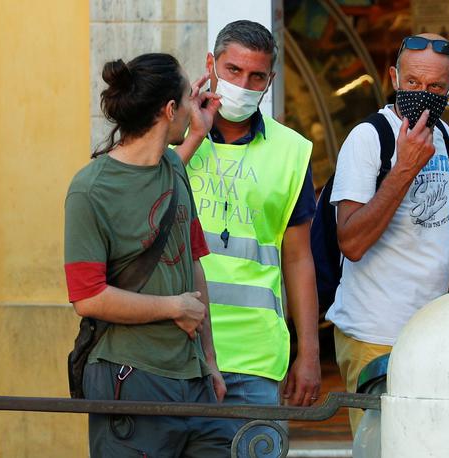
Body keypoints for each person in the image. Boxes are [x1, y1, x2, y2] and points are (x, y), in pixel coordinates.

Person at [64, 53, 229, 456]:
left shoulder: (173, 166)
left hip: (195, 382)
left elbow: (193, 261)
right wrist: (173, 306)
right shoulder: (90, 190)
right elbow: (87, 298)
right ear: (170, 109)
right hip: (130, 378)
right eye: (189, 99)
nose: (194, 107)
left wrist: (210, 361)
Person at [174, 20, 321, 454]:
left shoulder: (292, 151)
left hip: (256, 359)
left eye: (256, 76)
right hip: (176, 349)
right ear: (210, 66)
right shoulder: (168, 134)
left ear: (271, 80)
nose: (243, 84)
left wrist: (308, 353)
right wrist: (192, 133)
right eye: (233, 70)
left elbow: (298, 258)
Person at [325, 33, 449, 434]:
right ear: (394, 79)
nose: (424, 93)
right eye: (414, 82)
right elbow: (351, 242)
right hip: (374, 334)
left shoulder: (444, 136)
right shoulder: (369, 138)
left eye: (436, 86)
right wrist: (404, 169)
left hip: (429, 333)